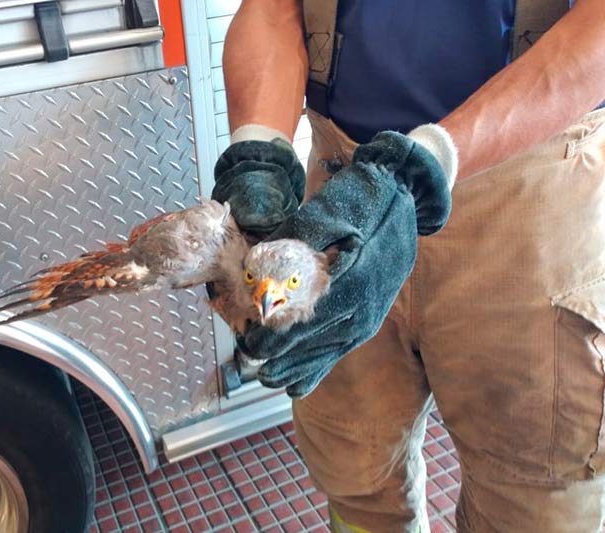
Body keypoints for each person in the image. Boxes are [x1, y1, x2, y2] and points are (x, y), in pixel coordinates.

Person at [211, 0, 605, 531]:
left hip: (530, 203)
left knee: (533, 499)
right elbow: (274, 8)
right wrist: (258, 150)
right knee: (353, 469)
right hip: (341, 193)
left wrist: (422, 166)